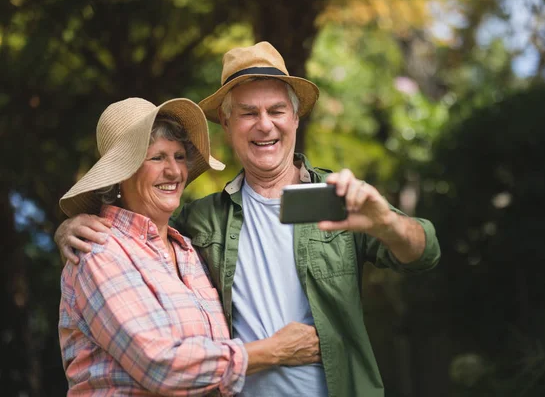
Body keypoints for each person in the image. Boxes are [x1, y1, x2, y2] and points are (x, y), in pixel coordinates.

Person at [55, 42, 441, 396]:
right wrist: (73, 227)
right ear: (226, 124)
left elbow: (425, 252)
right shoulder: (199, 223)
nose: (265, 124)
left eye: (276, 111)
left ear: (295, 118)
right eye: (248, 113)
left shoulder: (339, 198)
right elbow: (132, 234)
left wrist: (387, 225)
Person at [57, 96, 321, 396]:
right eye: (156, 158)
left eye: (179, 157)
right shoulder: (100, 251)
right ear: (121, 175)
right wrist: (275, 350)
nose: (174, 171)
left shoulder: (187, 249)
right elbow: (160, 365)